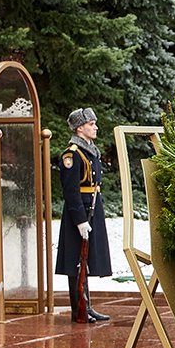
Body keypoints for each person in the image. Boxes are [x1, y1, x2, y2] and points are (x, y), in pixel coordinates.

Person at [57, 108, 112, 323]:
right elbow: (71, 191)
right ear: (80, 128)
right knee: (76, 260)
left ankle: (87, 305)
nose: (95, 127)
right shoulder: (72, 154)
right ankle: (79, 308)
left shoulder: (90, 150)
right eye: (91, 124)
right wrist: (79, 220)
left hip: (93, 207)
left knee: (86, 258)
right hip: (79, 212)